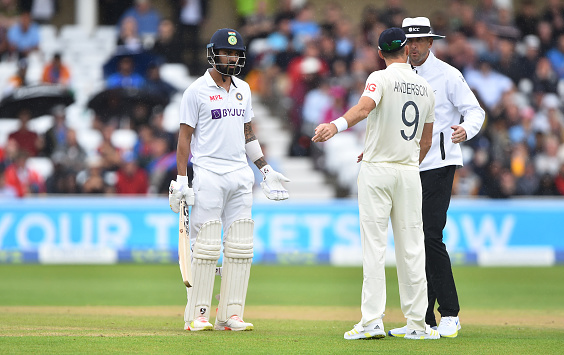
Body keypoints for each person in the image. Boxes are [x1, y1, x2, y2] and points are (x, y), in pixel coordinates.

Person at [312, 27, 438, 340]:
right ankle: (418, 325)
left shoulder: (378, 78)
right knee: (412, 249)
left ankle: (372, 321)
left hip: (377, 171)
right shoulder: (426, 87)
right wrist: (404, 161)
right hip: (409, 173)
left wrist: (334, 125)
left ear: (380, 53)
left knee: (375, 248)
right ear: (407, 51)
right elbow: (425, 140)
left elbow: (365, 108)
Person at [168, 28, 290, 332]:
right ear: (213, 54)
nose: (232, 58)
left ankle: (230, 314)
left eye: (236, 53)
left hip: (239, 174)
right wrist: (182, 179)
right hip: (208, 171)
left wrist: (264, 168)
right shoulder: (195, 91)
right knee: (206, 245)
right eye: (227, 52)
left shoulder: (244, 89)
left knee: (240, 245)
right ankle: (197, 315)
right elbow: (185, 138)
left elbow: (248, 134)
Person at [389, 17, 486, 338]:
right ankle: (422, 320)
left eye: (419, 41)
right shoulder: (396, 75)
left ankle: (450, 313)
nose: (413, 47)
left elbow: (475, 111)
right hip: (405, 167)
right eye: (408, 42)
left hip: (439, 164)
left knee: (430, 236)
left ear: (431, 43)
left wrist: (465, 129)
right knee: (414, 243)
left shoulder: (447, 75)